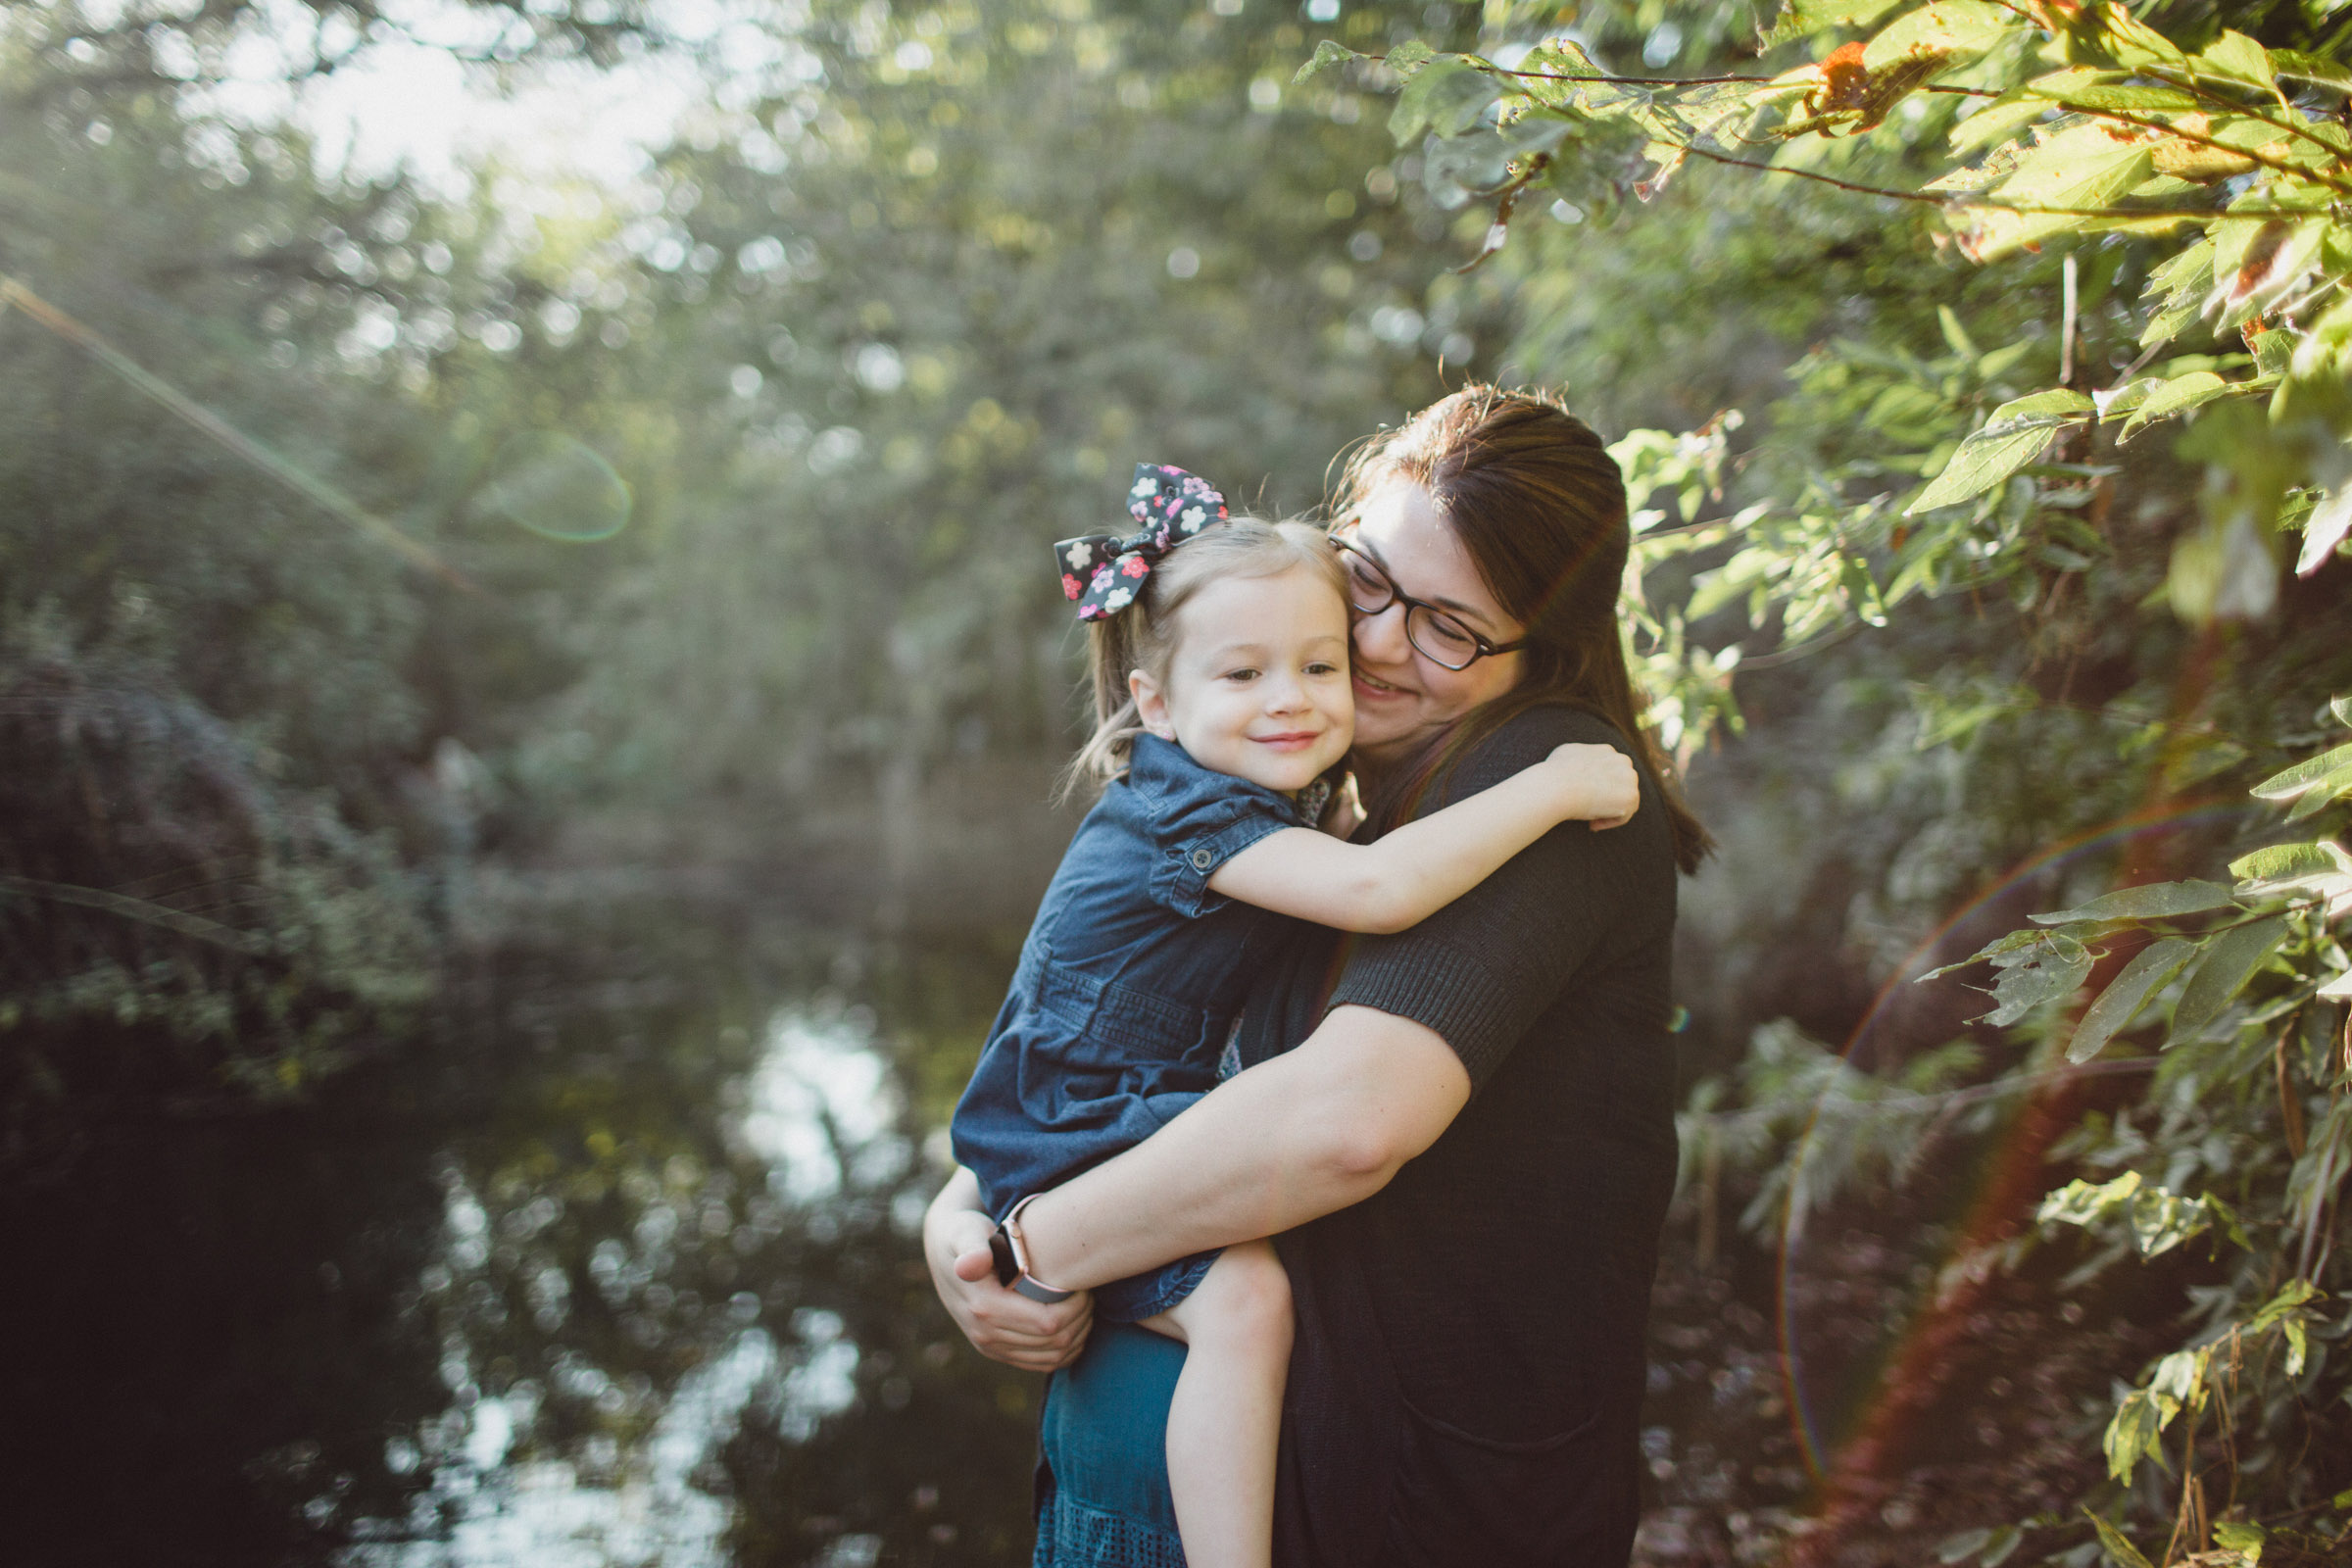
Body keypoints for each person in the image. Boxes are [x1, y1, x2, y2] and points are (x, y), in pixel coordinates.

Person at [926, 386, 1713, 1568]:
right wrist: (966, 1214)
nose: (1382, 639)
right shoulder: (1301, 789)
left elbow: (1344, 1123)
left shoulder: (1544, 793)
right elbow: (1100, 1037)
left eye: (1451, 625)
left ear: (1541, 643)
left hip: (1400, 1517)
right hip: (1151, 1492)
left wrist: (1036, 1244)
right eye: (1372, 579)